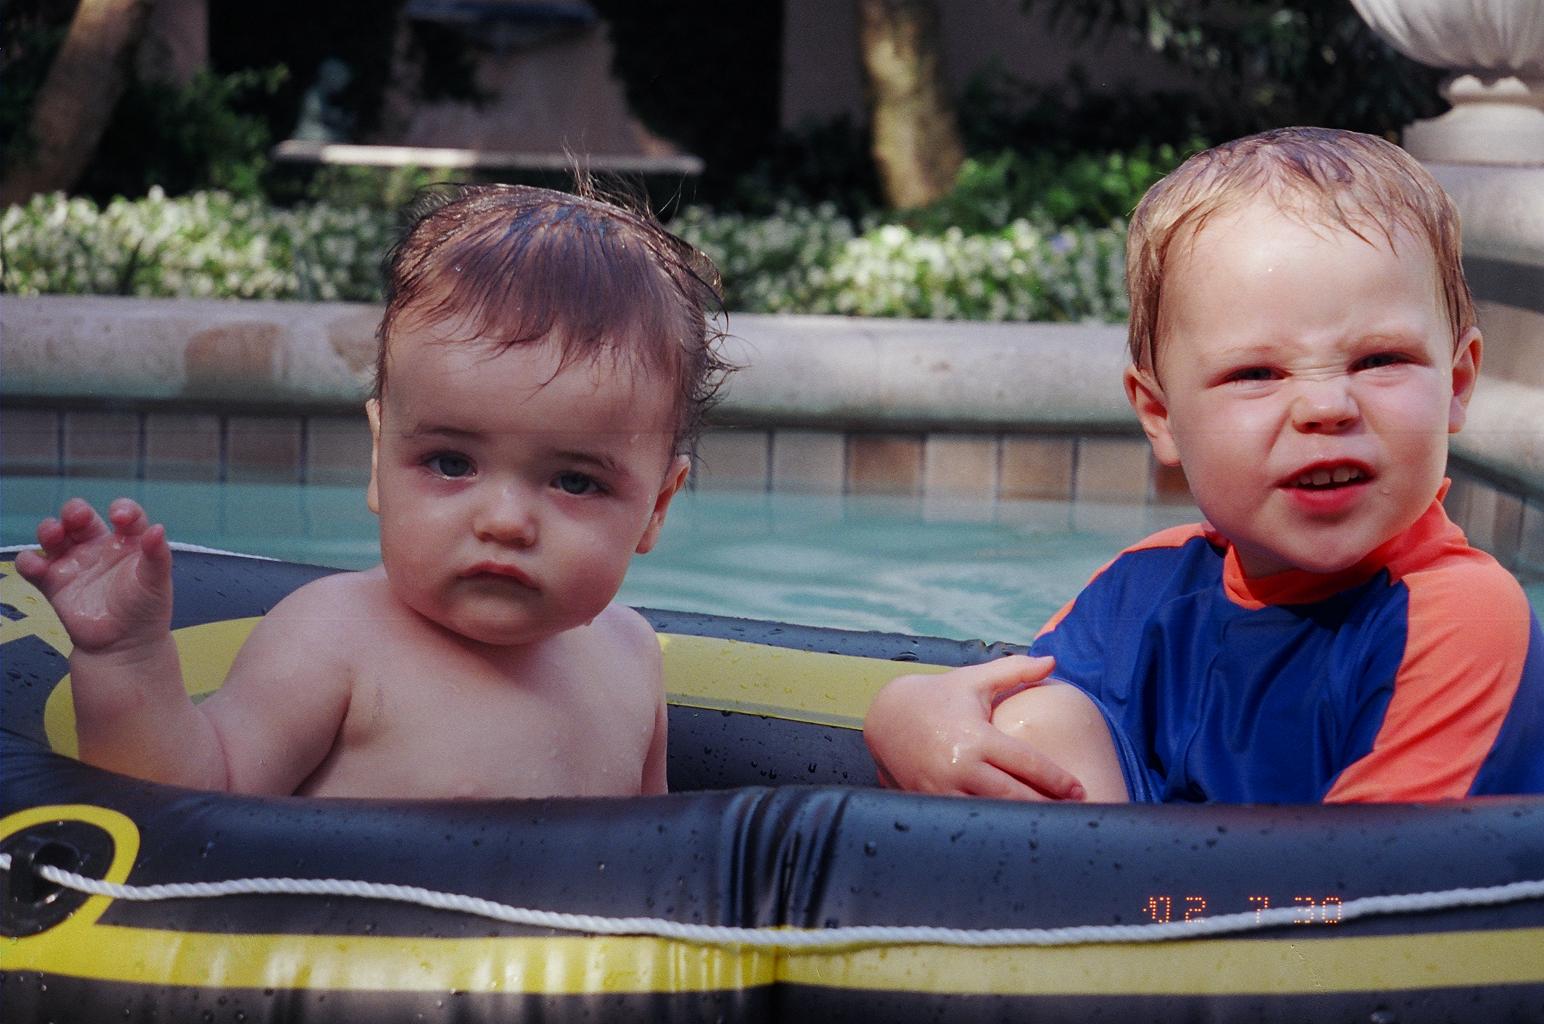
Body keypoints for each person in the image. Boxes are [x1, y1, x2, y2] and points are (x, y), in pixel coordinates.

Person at [864, 126, 1544, 804]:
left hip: (1312, 881)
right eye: (1256, 373)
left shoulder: (1461, 619)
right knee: (1037, 721)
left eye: (1380, 360)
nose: (1326, 406)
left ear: (1457, 384)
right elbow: (1002, 714)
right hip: (1155, 875)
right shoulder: (1145, 589)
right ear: (1161, 415)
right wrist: (903, 713)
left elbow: (1367, 871)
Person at [18, 183, 732, 800]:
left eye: (575, 481)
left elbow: (665, 862)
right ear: (379, 457)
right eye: (451, 463)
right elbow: (188, 804)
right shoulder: (332, 639)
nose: (505, 521)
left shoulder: (631, 659)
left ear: (657, 506)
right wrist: (123, 658)